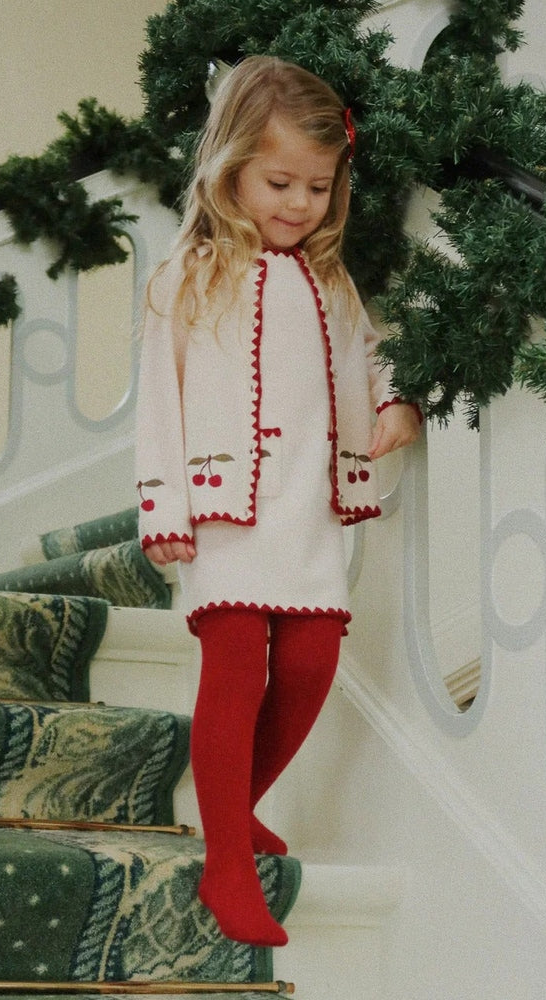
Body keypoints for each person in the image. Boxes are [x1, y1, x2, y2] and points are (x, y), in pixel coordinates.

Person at [135, 55, 421, 948]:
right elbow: (159, 395)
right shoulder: (191, 272)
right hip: (223, 508)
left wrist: (398, 401)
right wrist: (164, 507)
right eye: (278, 182)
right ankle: (226, 863)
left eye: (316, 186)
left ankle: (236, 804)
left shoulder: (332, 282)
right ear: (231, 171)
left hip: (306, 506)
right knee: (237, 671)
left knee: (308, 665)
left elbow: (374, 357)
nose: (298, 203)